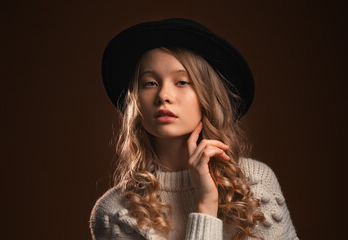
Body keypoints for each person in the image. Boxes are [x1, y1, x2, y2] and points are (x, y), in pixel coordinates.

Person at [90, 18, 298, 240]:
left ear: (207, 96)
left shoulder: (255, 184)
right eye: (150, 83)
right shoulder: (114, 212)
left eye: (182, 82)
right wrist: (206, 206)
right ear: (135, 101)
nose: (164, 96)